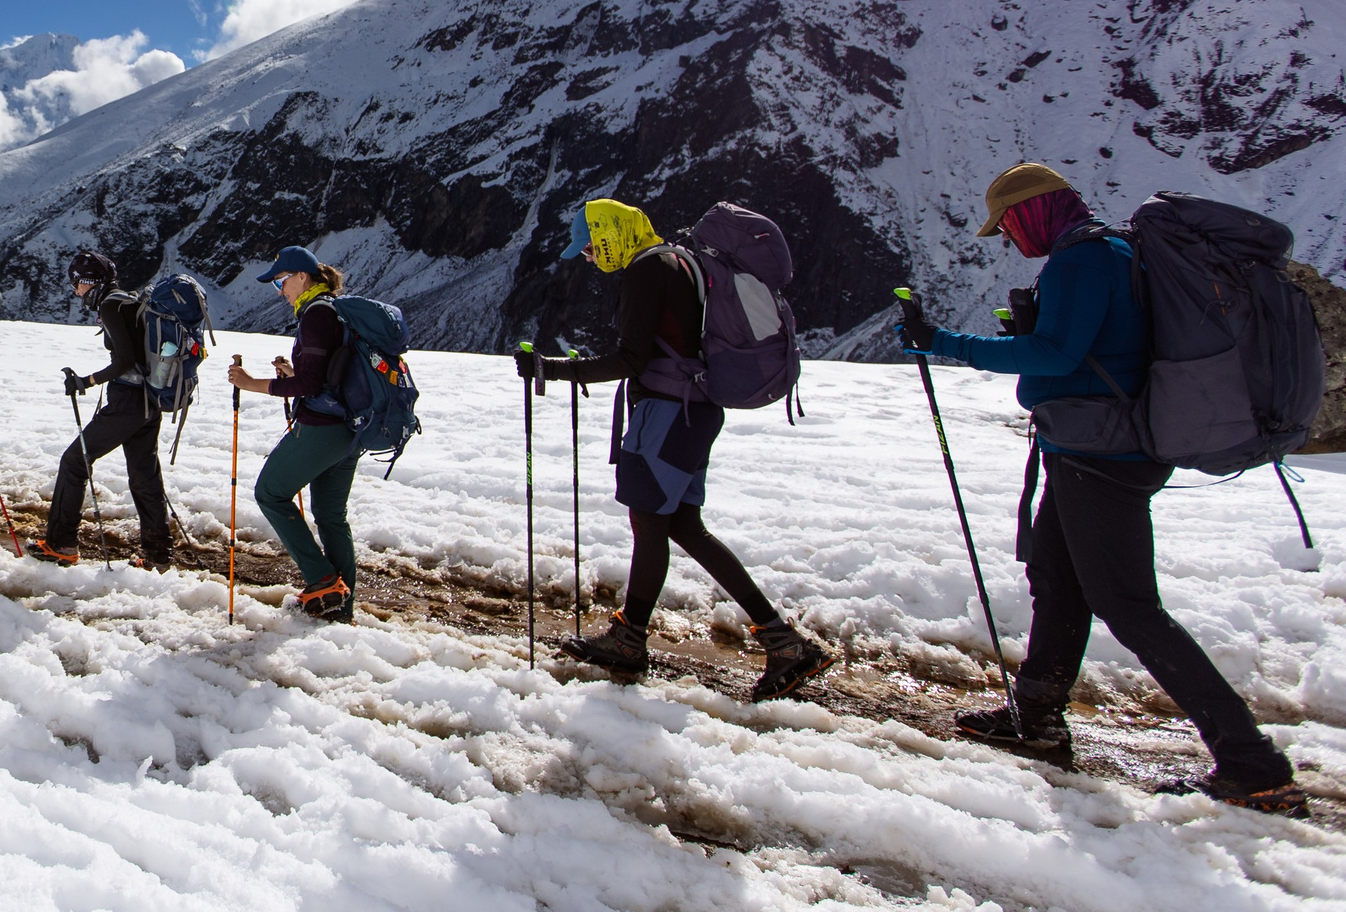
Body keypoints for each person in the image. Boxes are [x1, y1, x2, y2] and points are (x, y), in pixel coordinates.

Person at [899, 162, 1306, 815]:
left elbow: (1057, 355)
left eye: (1008, 225)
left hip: (1101, 456)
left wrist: (943, 342)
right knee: (1058, 580)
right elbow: (1089, 348)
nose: (1008, 238)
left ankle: (1252, 763)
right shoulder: (1107, 251)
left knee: (1129, 605)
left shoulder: (1081, 260)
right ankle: (1037, 715)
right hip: (1092, 448)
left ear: (1031, 210)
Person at [528, 199, 834, 702]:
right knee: (684, 526)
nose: (588, 257)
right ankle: (781, 640)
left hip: (667, 416)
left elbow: (632, 358)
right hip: (694, 413)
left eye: (590, 246)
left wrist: (554, 369)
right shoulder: (680, 260)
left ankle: (631, 640)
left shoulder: (646, 271)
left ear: (611, 236)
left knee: (651, 524)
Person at [226, 247, 361, 621]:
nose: (280, 291)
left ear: (302, 276)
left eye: (281, 282)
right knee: (331, 516)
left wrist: (252, 383)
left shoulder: (316, 315)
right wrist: (294, 374)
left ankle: (322, 580)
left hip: (321, 429)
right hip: (350, 430)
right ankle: (340, 608)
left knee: (270, 492)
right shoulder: (335, 310)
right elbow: (326, 377)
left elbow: (311, 384)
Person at [28, 249, 175, 569]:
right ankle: (158, 555)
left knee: (74, 461)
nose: (76, 291)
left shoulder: (110, 305)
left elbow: (125, 361)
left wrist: (87, 380)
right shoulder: (127, 300)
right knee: (144, 476)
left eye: (77, 284)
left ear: (90, 281)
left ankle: (61, 544)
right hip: (150, 400)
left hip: (127, 403)